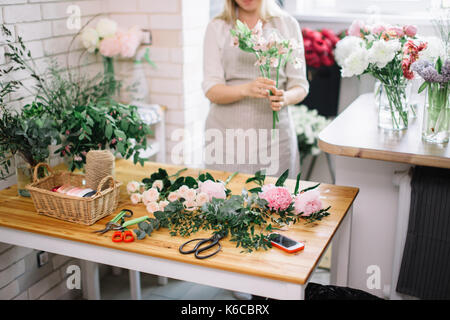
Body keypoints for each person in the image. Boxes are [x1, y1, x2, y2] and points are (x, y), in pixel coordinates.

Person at [202, 0, 309, 178]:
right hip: (225, 137)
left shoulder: (287, 24)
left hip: (275, 138)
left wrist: (285, 98)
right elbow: (211, 90)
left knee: (276, 199)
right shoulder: (217, 27)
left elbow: (300, 85)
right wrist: (246, 90)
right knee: (225, 199)